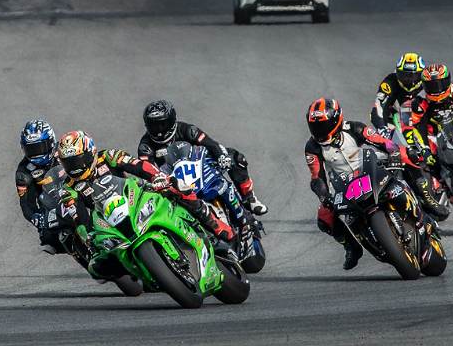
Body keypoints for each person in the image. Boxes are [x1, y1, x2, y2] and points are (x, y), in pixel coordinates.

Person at [305, 98, 445, 270]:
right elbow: (317, 177)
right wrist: (324, 196)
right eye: (315, 126)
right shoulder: (312, 147)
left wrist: (394, 152)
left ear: (336, 120)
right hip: (344, 183)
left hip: (370, 167)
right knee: (324, 217)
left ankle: (428, 201)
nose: (319, 130)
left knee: (407, 155)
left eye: (323, 125)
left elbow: (381, 141)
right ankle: (351, 247)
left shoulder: (354, 128)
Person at [57, 130, 234, 244]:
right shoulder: (68, 188)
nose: (74, 167)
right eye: (68, 163)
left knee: (176, 185)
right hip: (109, 221)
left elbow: (137, 165)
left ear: (90, 152)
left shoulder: (108, 156)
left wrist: (157, 176)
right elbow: (79, 218)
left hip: (135, 198)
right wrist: (87, 236)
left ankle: (212, 222)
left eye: (77, 160)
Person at [137, 100, 268, 216]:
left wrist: (222, 156)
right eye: (154, 126)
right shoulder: (145, 146)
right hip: (173, 180)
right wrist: (158, 180)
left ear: (172, 120)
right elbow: (146, 169)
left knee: (236, 157)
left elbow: (212, 144)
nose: (159, 131)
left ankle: (249, 198)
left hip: (198, 166)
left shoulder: (187, 129)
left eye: (163, 124)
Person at [15, 119, 64, 253]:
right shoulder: (24, 171)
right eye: (31, 149)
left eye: (40, 147)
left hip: (77, 192)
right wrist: (36, 218)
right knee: (48, 238)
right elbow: (26, 203)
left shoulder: (64, 151)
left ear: (51, 142)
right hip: (51, 206)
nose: (36, 153)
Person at [370, 52, 426, 134]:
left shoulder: (427, 83)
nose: (408, 80)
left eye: (413, 76)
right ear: (397, 73)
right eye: (404, 75)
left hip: (422, 124)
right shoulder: (390, 81)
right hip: (395, 124)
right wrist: (382, 128)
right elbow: (378, 106)